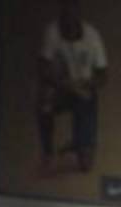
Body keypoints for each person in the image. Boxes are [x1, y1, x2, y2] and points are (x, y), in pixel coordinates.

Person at [37, 0, 107, 174]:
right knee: (44, 101)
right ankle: (47, 151)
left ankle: (80, 143)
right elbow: (43, 67)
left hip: (84, 90)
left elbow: (103, 75)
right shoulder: (52, 31)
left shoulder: (92, 36)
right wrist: (64, 83)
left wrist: (86, 83)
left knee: (86, 166)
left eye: (72, 16)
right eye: (65, 16)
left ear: (78, 16)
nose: (68, 24)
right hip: (61, 87)